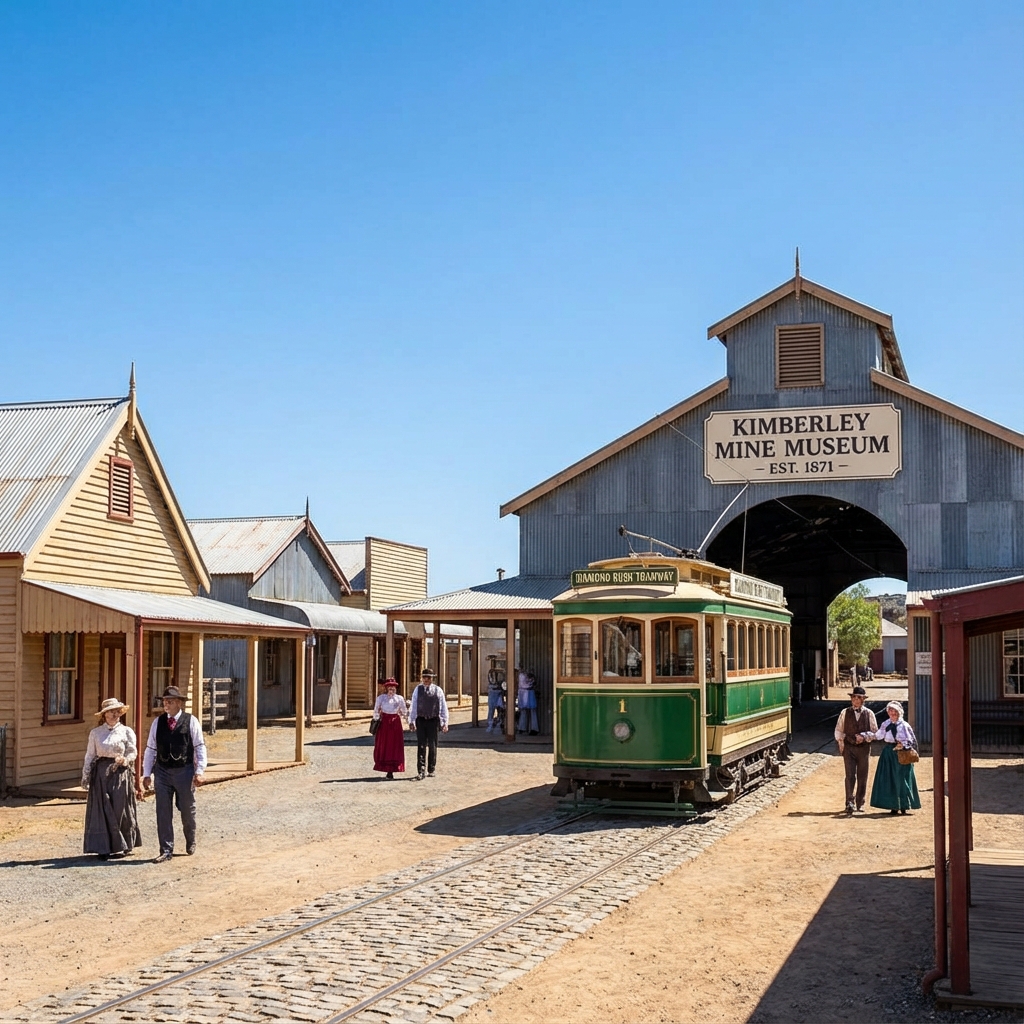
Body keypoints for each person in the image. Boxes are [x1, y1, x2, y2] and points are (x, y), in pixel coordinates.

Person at [142, 685, 207, 863]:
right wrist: (146, 773)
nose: (166, 704)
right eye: (164, 701)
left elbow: (199, 747)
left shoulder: (191, 721)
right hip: (162, 771)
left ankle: (190, 839)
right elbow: (150, 749)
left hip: (184, 771)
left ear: (179, 703)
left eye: (169, 701)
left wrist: (199, 771)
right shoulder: (158, 722)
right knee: (163, 811)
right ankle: (166, 849)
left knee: (187, 809)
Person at [81, 697, 143, 859]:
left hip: (120, 772)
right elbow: (90, 755)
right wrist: (86, 775)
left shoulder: (126, 731)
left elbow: (132, 751)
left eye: (117, 711)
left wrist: (126, 760)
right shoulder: (96, 733)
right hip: (101, 774)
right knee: (102, 809)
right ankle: (104, 847)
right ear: (104, 715)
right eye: (111, 712)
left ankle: (124, 845)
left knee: (120, 807)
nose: (115, 714)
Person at [870, 700, 922, 815]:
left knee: (902, 779)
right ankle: (893, 805)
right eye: (890, 710)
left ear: (899, 712)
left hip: (901, 754)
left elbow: (911, 741)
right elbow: (879, 735)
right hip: (889, 754)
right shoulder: (885, 724)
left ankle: (904, 805)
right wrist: (866, 736)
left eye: (894, 711)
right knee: (890, 779)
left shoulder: (904, 725)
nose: (892, 713)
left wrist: (902, 745)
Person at [834, 686, 878, 814]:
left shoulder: (869, 713)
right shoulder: (844, 712)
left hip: (864, 748)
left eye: (858, 697)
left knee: (862, 775)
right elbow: (839, 729)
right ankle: (849, 802)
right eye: (854, 697)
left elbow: (875, 732)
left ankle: (860, 802)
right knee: (850, 775)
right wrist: (843, 740)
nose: (856, 700)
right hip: (849, 748)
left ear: (863, 699)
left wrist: (864, 737)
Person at [408, 669, 449, 780]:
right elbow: (414, 705)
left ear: (432, 679)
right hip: (421, 720)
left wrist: (445, 722)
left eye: (429, 678)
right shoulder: (418, 690)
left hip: (433, 720)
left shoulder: (438, 690)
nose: (426, 680)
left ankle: (431, 768)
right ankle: (421, 770)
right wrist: (411, 720)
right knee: (421, 745)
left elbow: (443, 707)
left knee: (432, 745)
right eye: (424, 677)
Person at [372, 678, 408, 780]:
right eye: (389, 687)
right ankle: (385, 767)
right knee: (385, 745)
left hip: (395, 724)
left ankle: (393, 768)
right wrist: (376, 720)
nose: (391, 689)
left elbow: (404, 711)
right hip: (384, 724)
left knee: (394, 746)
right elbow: (375, 711)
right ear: (386, 688)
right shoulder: (381, 698)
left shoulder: (399, 699)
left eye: (393, 687)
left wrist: (410, 722)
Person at [518, 671, 539, 735]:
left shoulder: (521, 675)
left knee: (527, 711)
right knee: (529, 711)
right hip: (526, 692)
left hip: (525, 692)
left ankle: (525, 728)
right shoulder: (522, 675)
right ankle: (530, 728)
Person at [485, 661, 503, 733]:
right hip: (493, 694)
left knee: (500, 710)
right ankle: (490, 723)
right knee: (491, 710)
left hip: (497, 694)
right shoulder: (491, 679)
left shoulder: (499, 679)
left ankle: (499, 722)